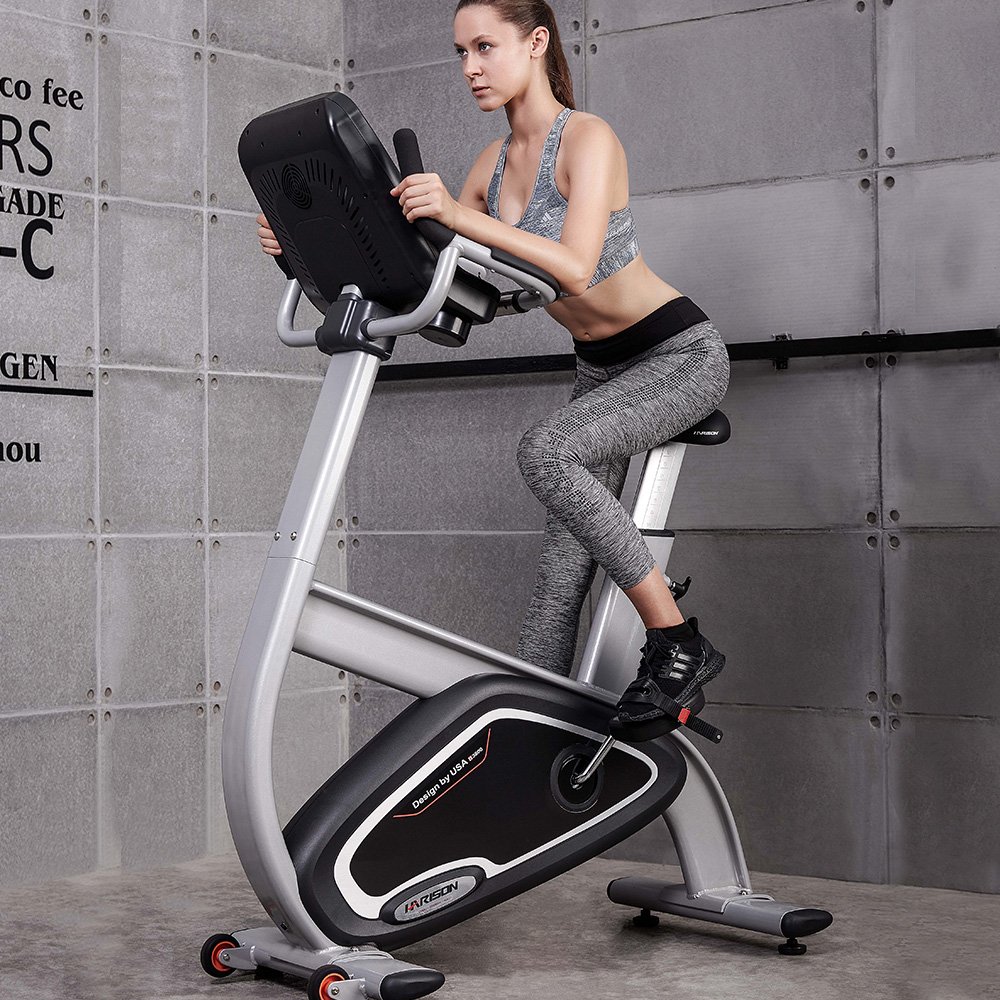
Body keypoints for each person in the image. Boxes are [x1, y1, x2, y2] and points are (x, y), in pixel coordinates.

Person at [256, 0, 731, 742]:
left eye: (485, 47)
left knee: (546, 452)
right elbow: (441, 290)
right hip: (600, 372)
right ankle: (527, 746)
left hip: (677, 356)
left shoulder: (588, 140)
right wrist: (300, 250)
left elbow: (575, 266)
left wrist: (454, 214)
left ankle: (677, 642)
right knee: (555, 590)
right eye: (460, 52)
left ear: (536, 43)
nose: (470, 67)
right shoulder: (490, 167)